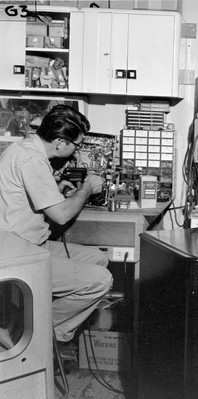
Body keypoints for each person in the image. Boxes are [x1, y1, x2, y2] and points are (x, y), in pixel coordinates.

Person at [0, 104, 113, 354]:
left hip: (27, 244)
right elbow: (61, 216)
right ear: (61, 142)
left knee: (100, 258)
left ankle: (40, 325)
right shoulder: (31, 159)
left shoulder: (26, 149)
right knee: (100, 281)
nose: (77, 151)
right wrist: (86, 189)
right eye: (76, 145)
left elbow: (35, 195)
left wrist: (56, 188)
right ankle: (39, 332)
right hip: (20, 256)